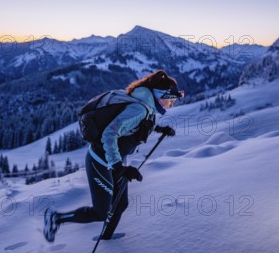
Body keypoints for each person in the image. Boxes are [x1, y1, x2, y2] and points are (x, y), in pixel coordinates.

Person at [43, 69, 184, 242]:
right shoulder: (139, 109)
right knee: (101, 211)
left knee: (120, 204)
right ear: (159, 94)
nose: (171, 104)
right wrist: (119, 167)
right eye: (171, 100)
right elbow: (109, 134)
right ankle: (56, 218)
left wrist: (160, 129)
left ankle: (106, 241)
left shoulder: (146, 105)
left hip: (114, 159)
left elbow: (135, 124)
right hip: (100, 160)